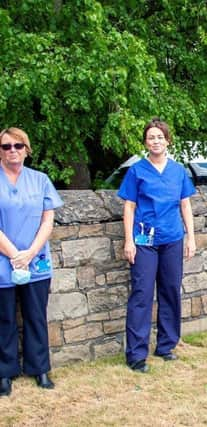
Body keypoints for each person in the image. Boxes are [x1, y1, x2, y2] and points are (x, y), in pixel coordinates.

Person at [118, 118, 196, 373]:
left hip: (172, 238)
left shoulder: (177, 171)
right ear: (145, 142)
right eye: (151, 138)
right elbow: (129, 206)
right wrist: (129, 240)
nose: (156, 141)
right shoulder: (137, 171)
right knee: (141, 294)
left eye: (160, 137)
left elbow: (185, 205)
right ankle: (136, 354)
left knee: (170, 290)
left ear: (167, 141)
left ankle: (166, 345)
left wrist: (191, 237)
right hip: (144, 242)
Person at [0, 127, 63, 396]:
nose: (12, 151)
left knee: (36, 316)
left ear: (27, 149)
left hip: (36, 260)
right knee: (4, 319)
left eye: (17, 145)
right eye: (5, 146)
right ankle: (5, 372)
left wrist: (30, 253)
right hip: (4, 261)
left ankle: (40, 369)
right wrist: (15, 254)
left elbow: (48, 219)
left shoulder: (40, 180)